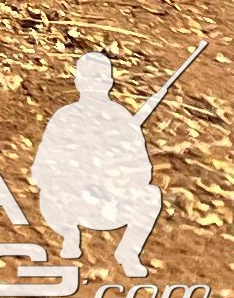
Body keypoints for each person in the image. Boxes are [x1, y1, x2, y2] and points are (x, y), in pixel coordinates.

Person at [32, 50, 165, 278]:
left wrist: (114, 178)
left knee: (151, 195)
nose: (94, 84)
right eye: (90, 78)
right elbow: (41, 168)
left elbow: (143, 171)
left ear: (109, 82)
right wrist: (75, 174)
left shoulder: (122, 119)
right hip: (71, 204)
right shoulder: (65, 117)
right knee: (50, 190)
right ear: (79, 81)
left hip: (110, 204)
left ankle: (128, 252)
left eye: (99, 78)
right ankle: (69, 235)